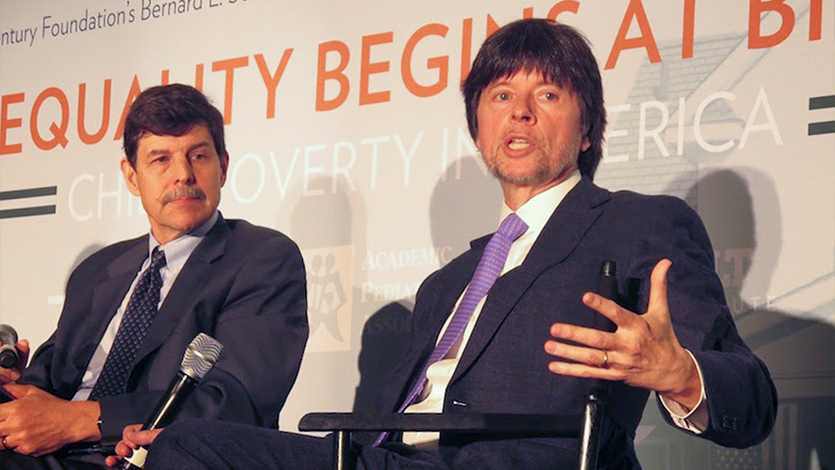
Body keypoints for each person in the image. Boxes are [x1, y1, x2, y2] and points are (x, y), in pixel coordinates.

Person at [113, 19, 776, 470]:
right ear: (479, 128)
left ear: (586, 132)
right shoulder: (445, 285)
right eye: (499, 95)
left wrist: (682, 375)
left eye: (546, 93)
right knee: (178, 448)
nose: (519, 111)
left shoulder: (640, 225)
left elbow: (749, 399)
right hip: (381, 457)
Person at [0, 84, 308, 469]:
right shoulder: (97, 271)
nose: (183, 174)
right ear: (131, 176)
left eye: (198, 155)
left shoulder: (262, 258)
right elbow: (45, 387)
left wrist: (80, 420)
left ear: (223, 166)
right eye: (161, 159)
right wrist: (11, 387)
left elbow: (235, 403)